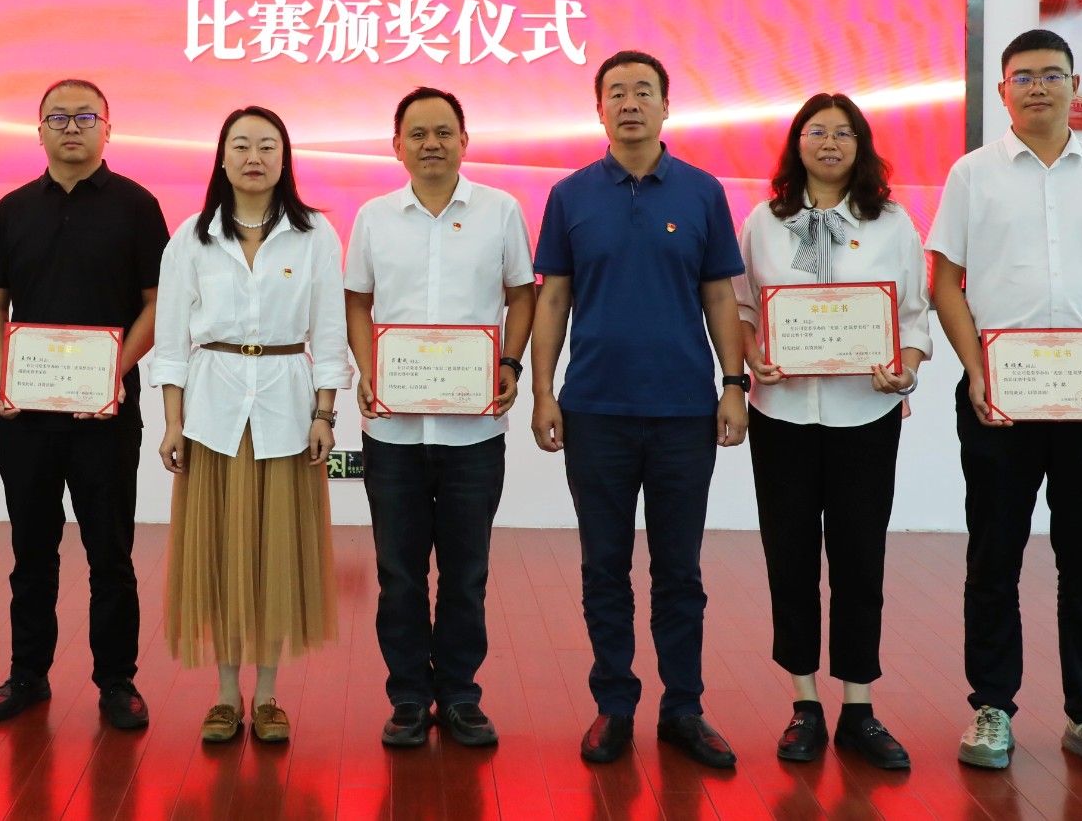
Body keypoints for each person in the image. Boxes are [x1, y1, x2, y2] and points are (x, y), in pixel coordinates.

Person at [928, 28, 1082, 780]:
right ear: (1002, 91)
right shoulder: (972, 174)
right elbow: (944, 282)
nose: (1037, 86)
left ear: (1074, 84)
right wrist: (974, 368)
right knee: (994, 553)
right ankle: (992, 706)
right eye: (1022, 76)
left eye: (1051, 74)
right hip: (1000, 397)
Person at [529, 49, 750, 769]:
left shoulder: (702, 192)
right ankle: (614, 704)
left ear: (665, 106)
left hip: (684, 410)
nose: (630, 103)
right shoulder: (569, 195)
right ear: (599, 109)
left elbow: (720, 294)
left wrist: (734, 383)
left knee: (680, 571)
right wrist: (542, 390)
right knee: (604, 567)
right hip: (595, 409)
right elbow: (553, 299)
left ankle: (684, 706)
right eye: (616, 92)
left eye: (643, 91)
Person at [731, 93, 931, 770]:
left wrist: (904, 370)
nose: (829, 142)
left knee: (859, 560)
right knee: (788, 558)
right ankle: (804, 703)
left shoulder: (892, 222)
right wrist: (752, 353)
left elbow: (913, 314)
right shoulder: (764, 221)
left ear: (861, 145)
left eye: (844, 133)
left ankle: (859, 708)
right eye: (816, 131)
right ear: (797, 143)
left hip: (864, 414)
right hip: (781, 412)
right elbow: (742, 308)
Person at [0, 79, 169, 729]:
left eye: (86, 117)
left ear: (108, 128)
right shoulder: (12, 209)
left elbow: (157, 304)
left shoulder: (137, 206)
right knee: (32, 552)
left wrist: (113, 372)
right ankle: (27, 673)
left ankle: (116, 680)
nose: (72, 127)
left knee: (110, 554)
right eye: (58, 117)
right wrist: (2, 375)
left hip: (105, 414)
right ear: (39, 131)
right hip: (25, 415)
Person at [149, 106, 347, 745]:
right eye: (241, 145)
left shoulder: (315, 234)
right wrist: (173, 422)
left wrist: (325, 413)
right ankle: (226, 694)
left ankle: (267, 696)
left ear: (285, 158)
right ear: (222, 157)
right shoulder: (191, 236)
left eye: (267, 145)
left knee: (275, 556)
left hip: (287, 411)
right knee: (220, 555)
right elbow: (171, 341)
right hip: (214, 415)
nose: (254, 157)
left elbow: (331, 334)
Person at [346, 86, 536, 750]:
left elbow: (521, 294)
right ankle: (407, 695)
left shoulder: (500, 210)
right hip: (393, 428)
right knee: (398, 573)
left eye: (444, 132)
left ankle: (458, 694)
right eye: (418, 133)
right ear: (397, 145)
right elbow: (357, 301)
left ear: (464, 141)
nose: (432, 143)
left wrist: (509, 362)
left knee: (466, 572)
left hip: (472, 430)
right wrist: (368, 369)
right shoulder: (373, 216)